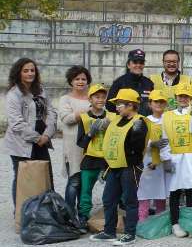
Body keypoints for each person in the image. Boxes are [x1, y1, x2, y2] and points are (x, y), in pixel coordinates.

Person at [89, 88, 148, 246]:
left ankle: (130, 233)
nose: (117, 107)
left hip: (130, 167)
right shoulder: (115, 120)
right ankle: (109, 231)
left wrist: (136, 132)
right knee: (108, 199)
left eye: (120, 104)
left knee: (130, 201)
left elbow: (137, 147)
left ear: (131, 105)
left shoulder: (139, 122)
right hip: (114, 166)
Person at [4, 58, 57, 211]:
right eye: (25, 70)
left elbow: (51, 112)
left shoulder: (40, 89)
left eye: (32, 70)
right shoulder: (14, 94)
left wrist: (47, 135)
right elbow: (16, 123)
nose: (30, 73)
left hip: (42, 140)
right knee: (23, 179)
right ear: (18, 73)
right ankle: (21, 214)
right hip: (21, 144)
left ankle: (48, 213)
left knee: (46, 176)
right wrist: (37, 138)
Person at [163, 83, 192, 238]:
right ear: (176, 98)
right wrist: (165, 158)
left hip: (191, 157)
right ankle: (175, 223)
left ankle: (191, 223)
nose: (183, 99)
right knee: (174, 191)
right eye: (180, 96)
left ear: (190, 98)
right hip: (175, 157)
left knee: (191, 190)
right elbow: (164, 137)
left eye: (186, 96)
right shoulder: (167, 116)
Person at [75, 84, 116, 225]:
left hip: (108, 160)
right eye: (96, 97)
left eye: (103, 97)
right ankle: (83, 216)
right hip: (90, 160)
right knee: (86, 190)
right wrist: (91, 133)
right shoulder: (84, 118)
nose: (100, 99)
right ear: (90, 99)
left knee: (114, 189)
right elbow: (80, 143)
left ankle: (115, 214)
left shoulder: (112, 117)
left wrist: (110, 129)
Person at [58, 66, 92, 215]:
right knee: (74, 181)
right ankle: (69, 215)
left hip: (90, 146)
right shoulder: (65, 99)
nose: (80, 81)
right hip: (73, 147)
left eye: (83, 79)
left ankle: (83, 215)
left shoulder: (93, 97)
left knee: (86, 183)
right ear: (71, 81)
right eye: (77, 79)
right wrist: (87, 112)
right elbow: (67, 118)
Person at [138, 90, 171, 222]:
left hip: (164, 161)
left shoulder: (168, 120)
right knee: (144, 190)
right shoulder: (144, 121)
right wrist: (152, 144)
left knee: (161, 190)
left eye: (162, 102)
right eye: (156, 101)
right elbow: (139, 142)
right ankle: (142, 219)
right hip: (148, 160)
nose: (159, 104)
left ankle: (159, 220)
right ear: (150, 104)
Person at [106, 49, 154, 116]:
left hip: (144, 122)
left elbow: (153, 105)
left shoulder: (149, 83)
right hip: (125, 123)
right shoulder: (119, 83)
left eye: (141, 62)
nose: (138, 65)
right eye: (135, 62)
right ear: (128, 65)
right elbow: (109, 106)